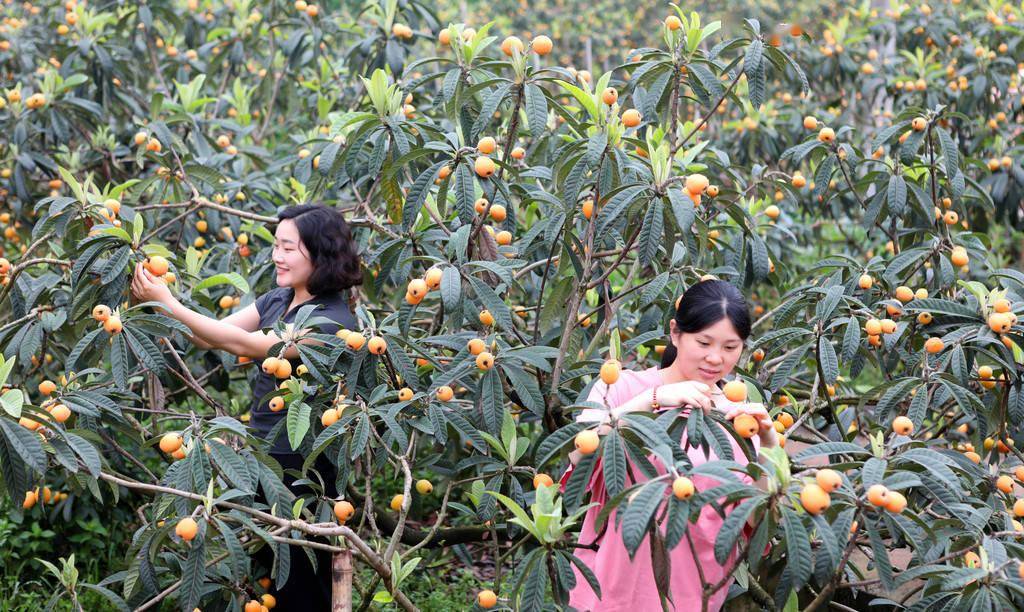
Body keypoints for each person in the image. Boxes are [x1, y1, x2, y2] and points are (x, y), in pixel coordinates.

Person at [131, 203, 363, 610]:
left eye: (288, 248)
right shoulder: (279, 299)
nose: (277, 256)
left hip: (305, 469)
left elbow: (244, 344)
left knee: (302, 584)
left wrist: (167, 300)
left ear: (320, 253)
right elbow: (211, 336)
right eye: (276, 246)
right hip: (262, 459)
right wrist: (159, 298)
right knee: (266, 575)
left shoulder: (331, 321)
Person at [564, 279, 778, 612]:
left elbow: (755, 521)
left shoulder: (738, 417)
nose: (715, 358)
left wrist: (768, 443)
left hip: (693, 593)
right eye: (704, 342)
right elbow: (579, 452)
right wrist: (651, 400)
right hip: (612, 589)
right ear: (675, 333)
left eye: (730, 347)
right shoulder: (622, 388)